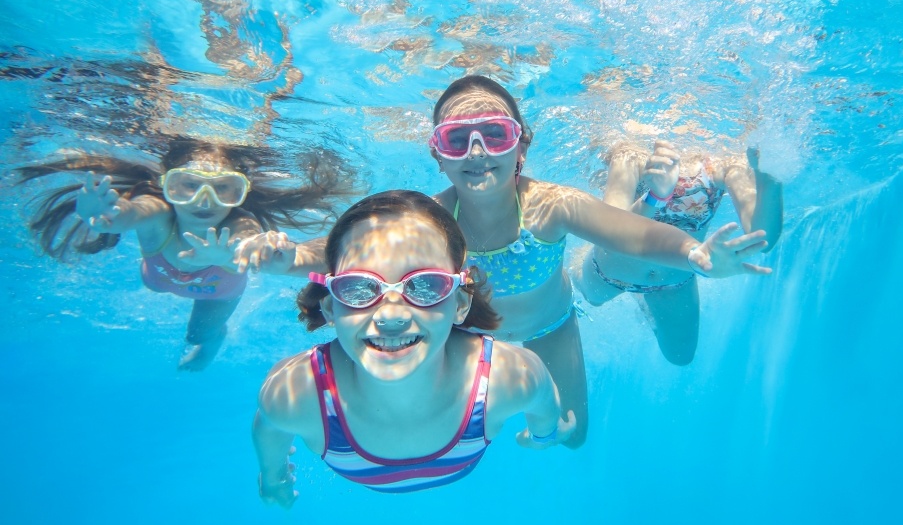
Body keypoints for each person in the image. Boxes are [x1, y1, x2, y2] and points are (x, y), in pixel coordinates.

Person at [239, 76, 772, 446]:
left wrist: (695, 254)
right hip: (465, 340)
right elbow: (354, 254)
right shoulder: (432, 220)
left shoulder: (550, 207)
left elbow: (632, 234)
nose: (476, 151)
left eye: (493, 134)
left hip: (550, 327)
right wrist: (287, 257)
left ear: (521, 146)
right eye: (457, 140)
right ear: (438, 155)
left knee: (572, 434)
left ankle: (627, 288)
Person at [252, 190, 574, 505]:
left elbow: (544, 398)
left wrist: (544, 433)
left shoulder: (510, 378)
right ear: (331, 308)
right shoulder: (294, 393)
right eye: (359, 288)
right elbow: (268, 430)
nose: (391, 316)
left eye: (425, 285)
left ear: (460, 303)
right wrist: (273, 477)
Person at [17, 137, 354, 370]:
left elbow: (246, 242)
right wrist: (109, 215)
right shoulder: (158, 213)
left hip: (217, 294)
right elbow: (131, 213)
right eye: (188, 186)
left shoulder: (240, 222)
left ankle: (212, 343)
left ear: (241, 193)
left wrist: (241, 253)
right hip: (159, 279)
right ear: (167, 186)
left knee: (198, 334)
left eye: (224, 188)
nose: (204, 201)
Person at [572, 139, 784, 365]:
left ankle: (644, 300)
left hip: (675, 280)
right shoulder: (631, 154)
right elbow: (608, 233)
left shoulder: (724, 164)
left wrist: (769, 182)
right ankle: (578, 259)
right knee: (590, 298)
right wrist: (655, 196)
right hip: (610, 273)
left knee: (680, 356)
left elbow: (762, 239)